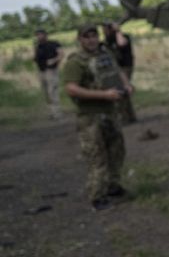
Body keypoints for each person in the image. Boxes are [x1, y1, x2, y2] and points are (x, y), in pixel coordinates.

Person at [61, 23, 133, 211]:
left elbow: (118, 72)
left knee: (116, 151)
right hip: (90, 116)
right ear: (80, 39)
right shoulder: (75, 61)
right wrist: (103, 95)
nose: (92, 39)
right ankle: (97, 196)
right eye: (87, 36)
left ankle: (113, 186)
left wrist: (127, 85)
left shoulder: (105, 55)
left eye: (94, 35)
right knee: (97, 156)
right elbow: (71, 88)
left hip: (109, 112)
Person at [104, 21, 137, 124]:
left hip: (126, 66)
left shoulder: (122, 36)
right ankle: (130, 116)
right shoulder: (108, 40)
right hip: (117, 68)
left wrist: (118, 30)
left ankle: (125, 117)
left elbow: (121, 43)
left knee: (123, 90)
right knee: (124, 91)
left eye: (106, 28)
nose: (104, 31)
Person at [32, 28, 64, 119]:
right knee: (46, 93)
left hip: (51, 71)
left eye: (40, 34)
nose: (39, 36)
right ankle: (51, 112)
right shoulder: (37, 46)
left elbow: (61, 54)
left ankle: (57, 113)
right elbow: (35, 57)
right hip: (41, 71)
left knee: (53, 91)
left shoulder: (54, 44)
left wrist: (53, 60)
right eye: (37, 35)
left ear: (45, 35)